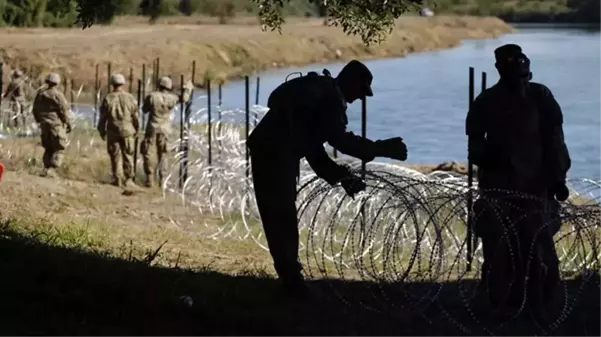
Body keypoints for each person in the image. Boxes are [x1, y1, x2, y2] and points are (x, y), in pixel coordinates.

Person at [248, 60, 409, 297]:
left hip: (274, 150)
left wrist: (341, 176)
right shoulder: (330, 98)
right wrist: (380, 148)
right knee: (281, 214)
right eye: (361, 91)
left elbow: (313, 146)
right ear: (351, 82)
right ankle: (291, 281)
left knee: (281, 213)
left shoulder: (321, 93)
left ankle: (290, 277)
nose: (361, 98)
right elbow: (339, 140)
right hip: (274, 152)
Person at [466, 44, 571, 315]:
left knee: (540, 248)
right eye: (514, 74)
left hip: (536, 186)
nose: (521, 81)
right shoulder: (485, 102)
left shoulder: (541, 96)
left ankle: (542, 304)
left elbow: (555, 140)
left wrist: (558, 178)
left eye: (524, 75)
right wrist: (491, 158)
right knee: (499, 248)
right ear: (501, 70)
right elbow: (474, 147)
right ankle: (501, 303)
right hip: (499, 187)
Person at [141, 76, 191, 187]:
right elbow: (184, 99)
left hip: (152, 128)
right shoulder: (172, 98)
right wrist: (187, 88)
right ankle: (162, 180)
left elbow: (144, 110)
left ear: (160, 85)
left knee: (149, 153)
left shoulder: (152, 96)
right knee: (163, 154)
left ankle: (150, 179)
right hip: (165, 130)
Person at [97, 74, 139, 187]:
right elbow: (135, 116)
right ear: (123, 84)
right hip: (127, 130)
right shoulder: (130, 98)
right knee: (128, 155)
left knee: (115, 156)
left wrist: (101, 131)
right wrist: (137, 129)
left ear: (112, 84)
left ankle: (118, 179)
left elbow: (103, 118)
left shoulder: (108, 98)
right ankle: (129, 179)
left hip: (112, 130)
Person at [32, 73, 72, 178]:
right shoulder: (58, 95)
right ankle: (52, 169)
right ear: (57, 83)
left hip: (44, 125)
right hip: (56, 126)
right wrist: (68, 123)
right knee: (59, 148)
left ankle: (46, 169)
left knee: (48, 148)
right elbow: (64, 110)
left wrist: (39, 120)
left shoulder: (40, 94)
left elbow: (34, 109)